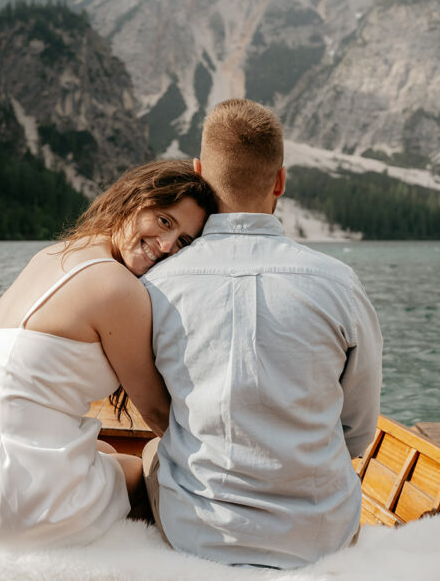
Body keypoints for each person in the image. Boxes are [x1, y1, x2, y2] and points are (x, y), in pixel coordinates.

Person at [0, 160, 217, 549]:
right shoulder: (116, 286)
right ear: (135, 200)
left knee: (103, 451)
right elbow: (156, 414)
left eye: (185, 241)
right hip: (0, 503)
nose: (168, 246)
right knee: (138, 468)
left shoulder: (54, 254)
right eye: (165, 221)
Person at [141, 99, 383, 569]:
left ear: (198, 172)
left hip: (197, 538)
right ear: (280, 181)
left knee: (154, 449)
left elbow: (157, 411)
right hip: (321, 538)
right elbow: (357, 431)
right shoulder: (339, 282)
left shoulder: (156, 285)